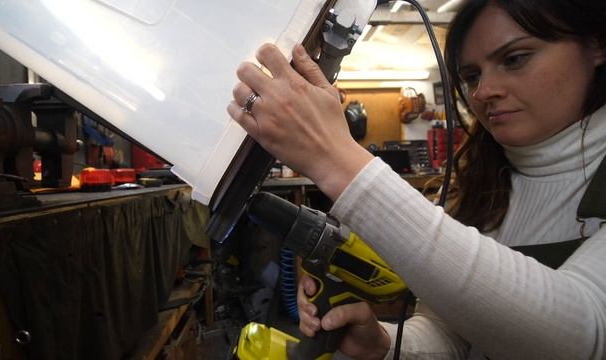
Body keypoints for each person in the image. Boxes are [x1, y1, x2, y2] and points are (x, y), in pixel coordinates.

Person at [227, 0, 606, 358]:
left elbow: (583, 338)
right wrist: (385, 344)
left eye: (515, 58)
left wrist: (337, 160)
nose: (483, 91)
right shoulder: (483, 188)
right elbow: (457, 337)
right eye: (471, 75)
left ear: (596, 46)